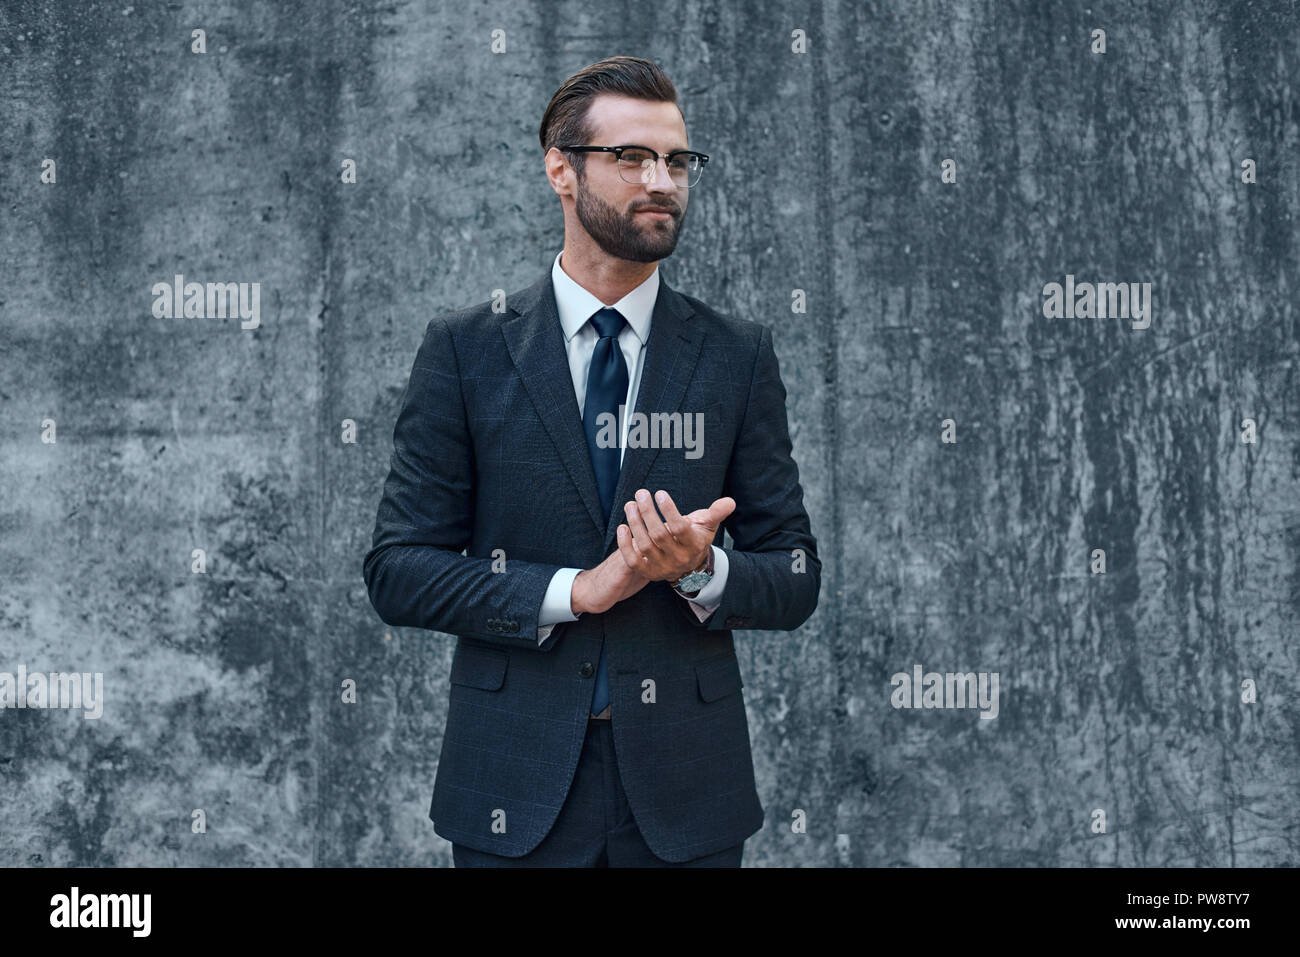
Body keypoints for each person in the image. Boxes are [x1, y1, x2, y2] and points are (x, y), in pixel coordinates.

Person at [363, 55, 820, 867]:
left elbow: (794, 574)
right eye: (632, 157)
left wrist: (700, 567)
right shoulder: (466, 350)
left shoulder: (737, 356)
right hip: (513, 787)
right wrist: (575, 590)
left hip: (688, 795)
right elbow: (399, 568)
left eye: (677, 160)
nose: (662, 180)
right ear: (560, 171)